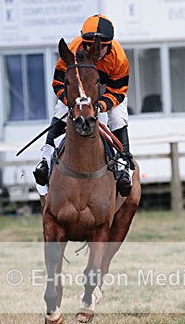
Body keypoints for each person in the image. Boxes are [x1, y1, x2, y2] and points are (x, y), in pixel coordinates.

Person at [34, 14, 133, 196]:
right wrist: (72, 104)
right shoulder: (72, 50)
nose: (93, 50)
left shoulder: (119, 59)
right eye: (88, 44)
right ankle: (45, 159)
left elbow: (118, 92)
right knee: (61, 109)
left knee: (117, 117)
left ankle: (123, 165)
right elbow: (58, 83)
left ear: (109, 45)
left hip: (108, 90)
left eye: (100, 46)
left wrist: (100, 106)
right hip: (79, 92)